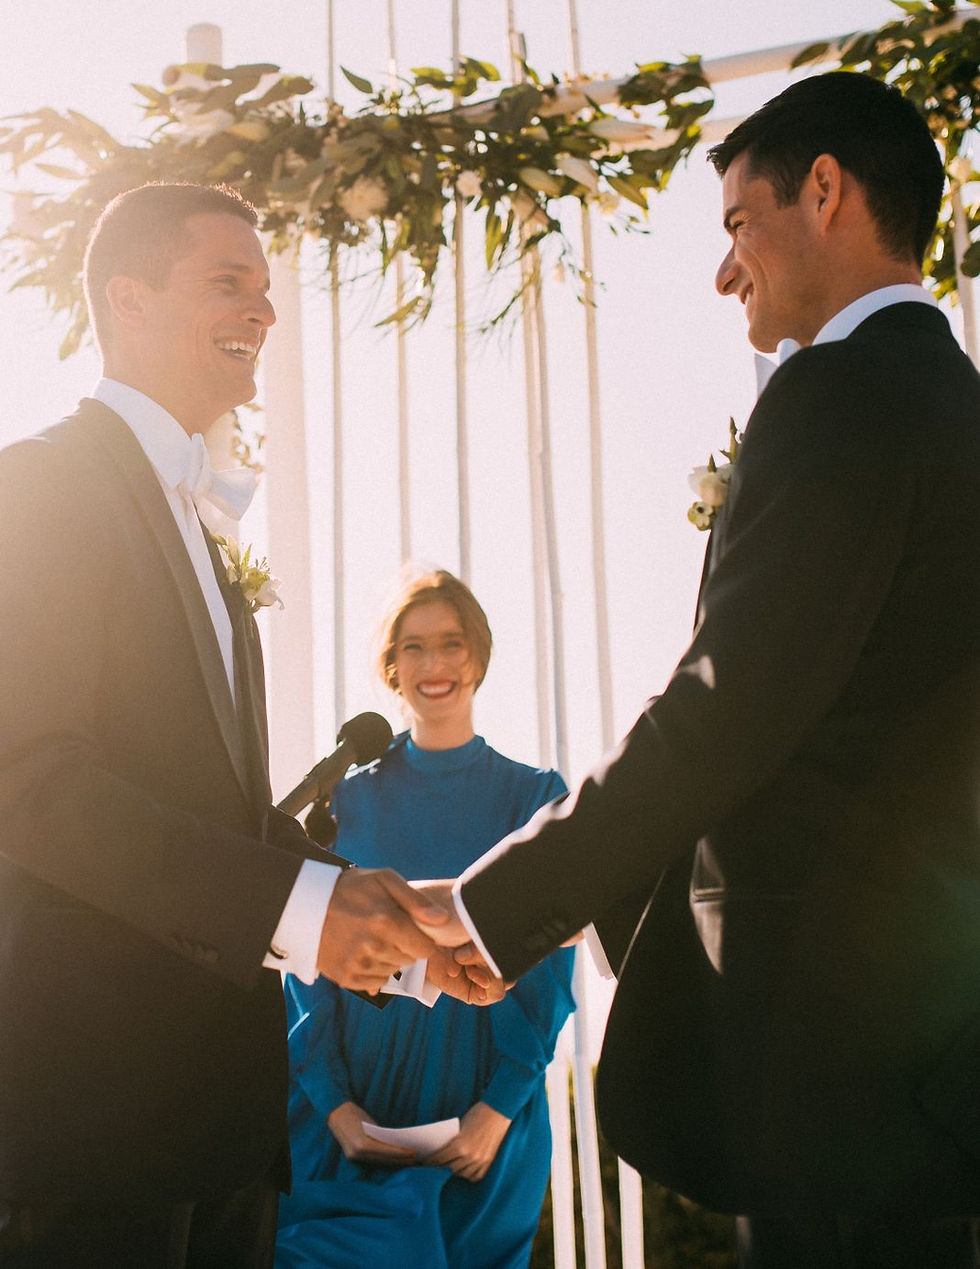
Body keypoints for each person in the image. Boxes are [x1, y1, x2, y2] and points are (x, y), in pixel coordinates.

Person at [422, 73, 980, 1267]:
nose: (725, 270)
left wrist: (502, 903)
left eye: (736, 224)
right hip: (937, 1022)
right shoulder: (954, 404)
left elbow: (727, 705)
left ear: (822, 191)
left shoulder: (836, 396)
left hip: (823, 1032)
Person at [0, 183, 454, 1269]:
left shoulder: (201, 532)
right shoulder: (41, 485)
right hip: (93, 1123)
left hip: (219, 1132)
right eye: (227, 281)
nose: (264, 307)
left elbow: (210, 807)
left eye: (264, 286)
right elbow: (33, 780)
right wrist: (300, 904)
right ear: (129, 299)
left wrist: (383, 918)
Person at [277, 570, 575, 1269]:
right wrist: (334, 1106)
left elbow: (551, 973)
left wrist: (497, 1109)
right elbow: (306, 958)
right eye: (414, 647)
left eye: (451, 643)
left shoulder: (537, 798)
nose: (434, 664)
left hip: (484, 1132)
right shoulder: (341, 806)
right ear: (391, 665)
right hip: (348, 1122)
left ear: (479, 654)